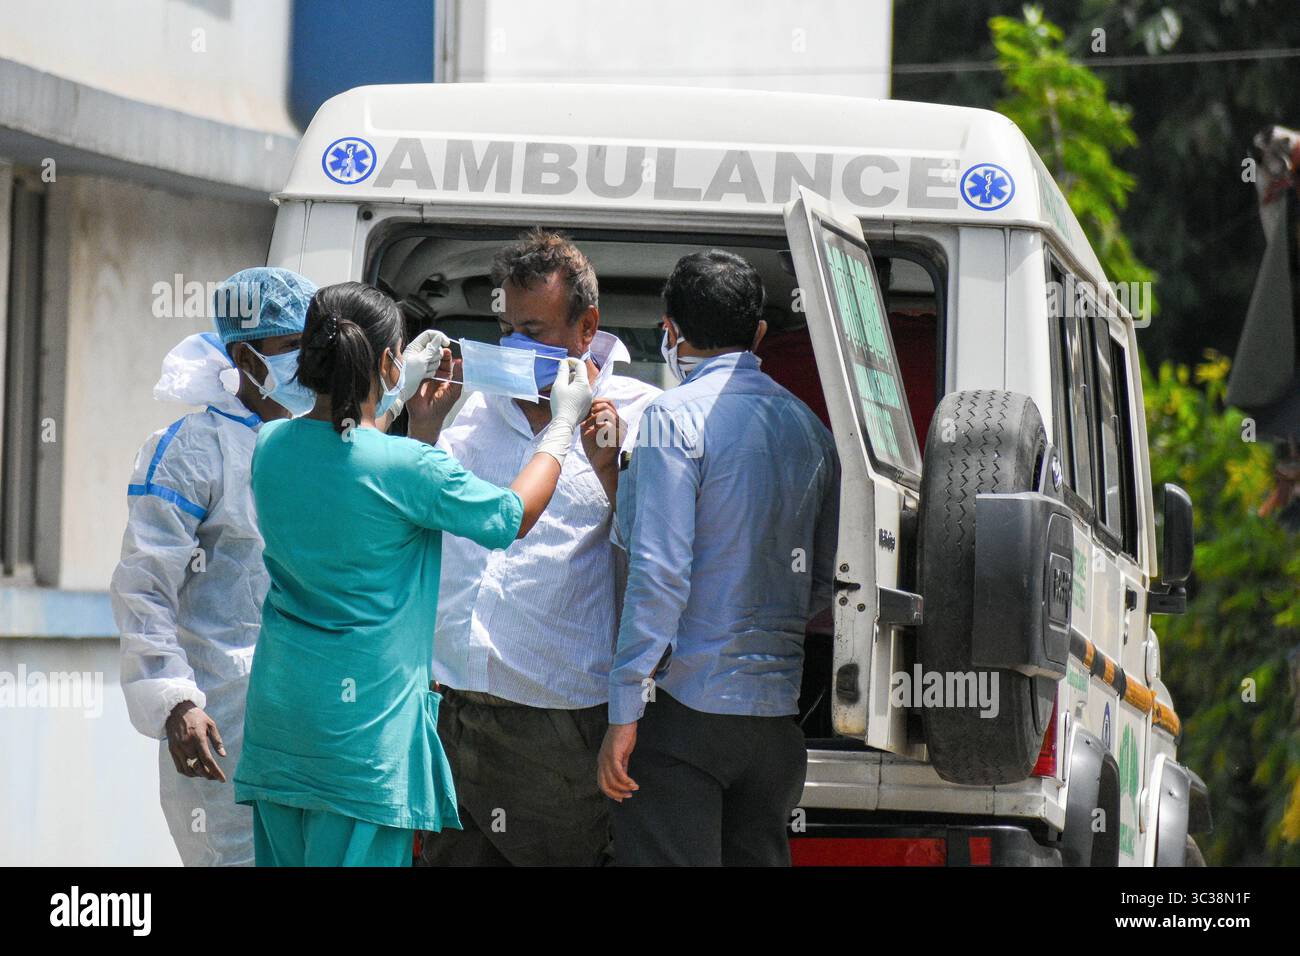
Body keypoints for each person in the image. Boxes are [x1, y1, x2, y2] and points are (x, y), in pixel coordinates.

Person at [233, 281, 592, 867]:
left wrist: (404, 406)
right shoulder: (410, 468)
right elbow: (511, 516)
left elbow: (349, 455)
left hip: (281, 728)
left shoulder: (271, 444)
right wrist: (561, 427)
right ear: (387, 361)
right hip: (363, 741)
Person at [417, 229, 660, 867]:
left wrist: (614, 477)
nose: (519, 348)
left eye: (537, 330)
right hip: (451, 713)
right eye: (509, 331)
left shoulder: (638, 416)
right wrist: (422, 429)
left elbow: (662, 564)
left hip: (553, 728)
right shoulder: (467, 413)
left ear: (588, 328)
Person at [597, 250, 840, 866]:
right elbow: (821, 583)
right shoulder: (812, 429)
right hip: (776, 725)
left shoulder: (669, 418)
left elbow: (659, 573)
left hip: (684, 718)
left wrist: (625, 707)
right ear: (758, 334)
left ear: (670, 331)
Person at [111, 266, 317, 866]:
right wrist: (176, 699)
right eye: (291, 349)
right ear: (247, 358)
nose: (307, 363)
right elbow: (145, 587)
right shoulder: (193, 448)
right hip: (224, 716)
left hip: (318, 714)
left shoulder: (324, 443)